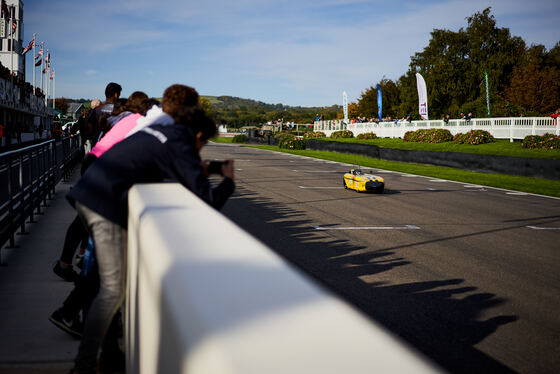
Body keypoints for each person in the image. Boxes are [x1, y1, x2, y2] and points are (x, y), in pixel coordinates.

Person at [67, 84, 234, 374]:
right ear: (197, 135)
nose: (199, 151)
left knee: (109, 286)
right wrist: (229, 181)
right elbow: (206, 199)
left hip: (92, 190)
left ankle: (107, 355)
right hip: (102, 204)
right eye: (202, 144)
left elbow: (159, 162)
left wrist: (199, 168)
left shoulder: (162, 129)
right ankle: (83, 366)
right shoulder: (181, 141)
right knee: (112, 290)